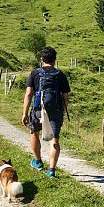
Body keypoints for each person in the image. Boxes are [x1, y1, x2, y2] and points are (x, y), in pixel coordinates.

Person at [22, 46, 70, 177]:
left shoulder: (35, 73)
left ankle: (37, 161)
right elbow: (66, 97)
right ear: (55, 59)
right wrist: (62, 112)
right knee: (55, 139)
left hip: (38, 109)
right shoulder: (60, 75)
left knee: (34, 132)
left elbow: (28, 94)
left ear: (41, 59)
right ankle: (52, 170)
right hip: (55, 110)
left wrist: (25, 113)